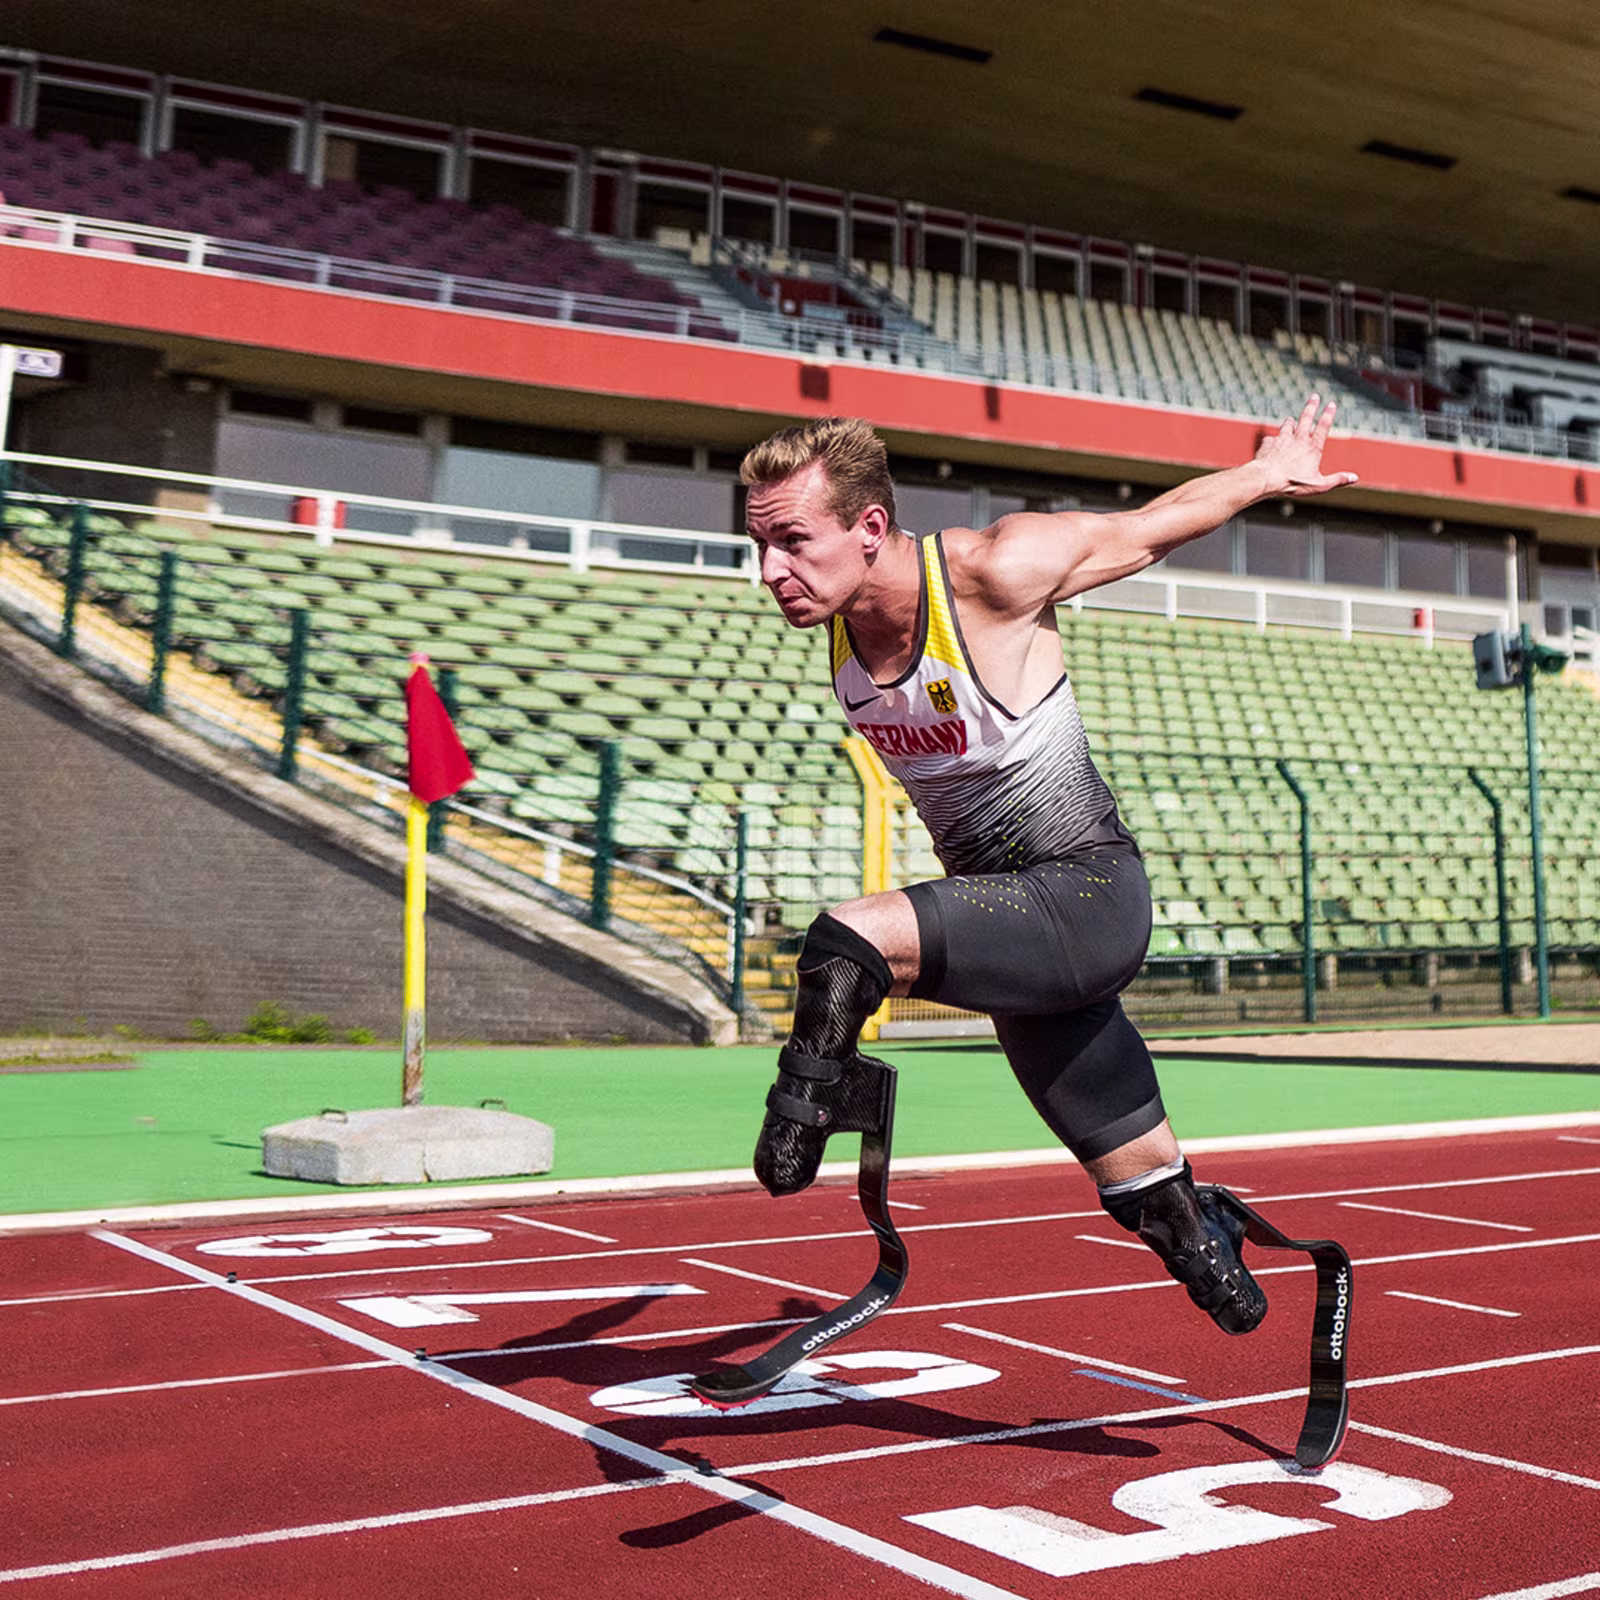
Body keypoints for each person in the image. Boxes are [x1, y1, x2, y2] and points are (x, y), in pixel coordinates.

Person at [740, 397, 1357, 1336]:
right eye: (760, 546)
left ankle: (810, 1105)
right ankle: (1206, 1240)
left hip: (1086, 893)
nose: (770, 572)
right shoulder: (836, 624)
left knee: (842, 946)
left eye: (791, 541)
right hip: (1022, 937)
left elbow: (1145, 531)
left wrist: (1266, 473)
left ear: (870, 528)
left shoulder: (995, 568)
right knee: (1141, 1188)